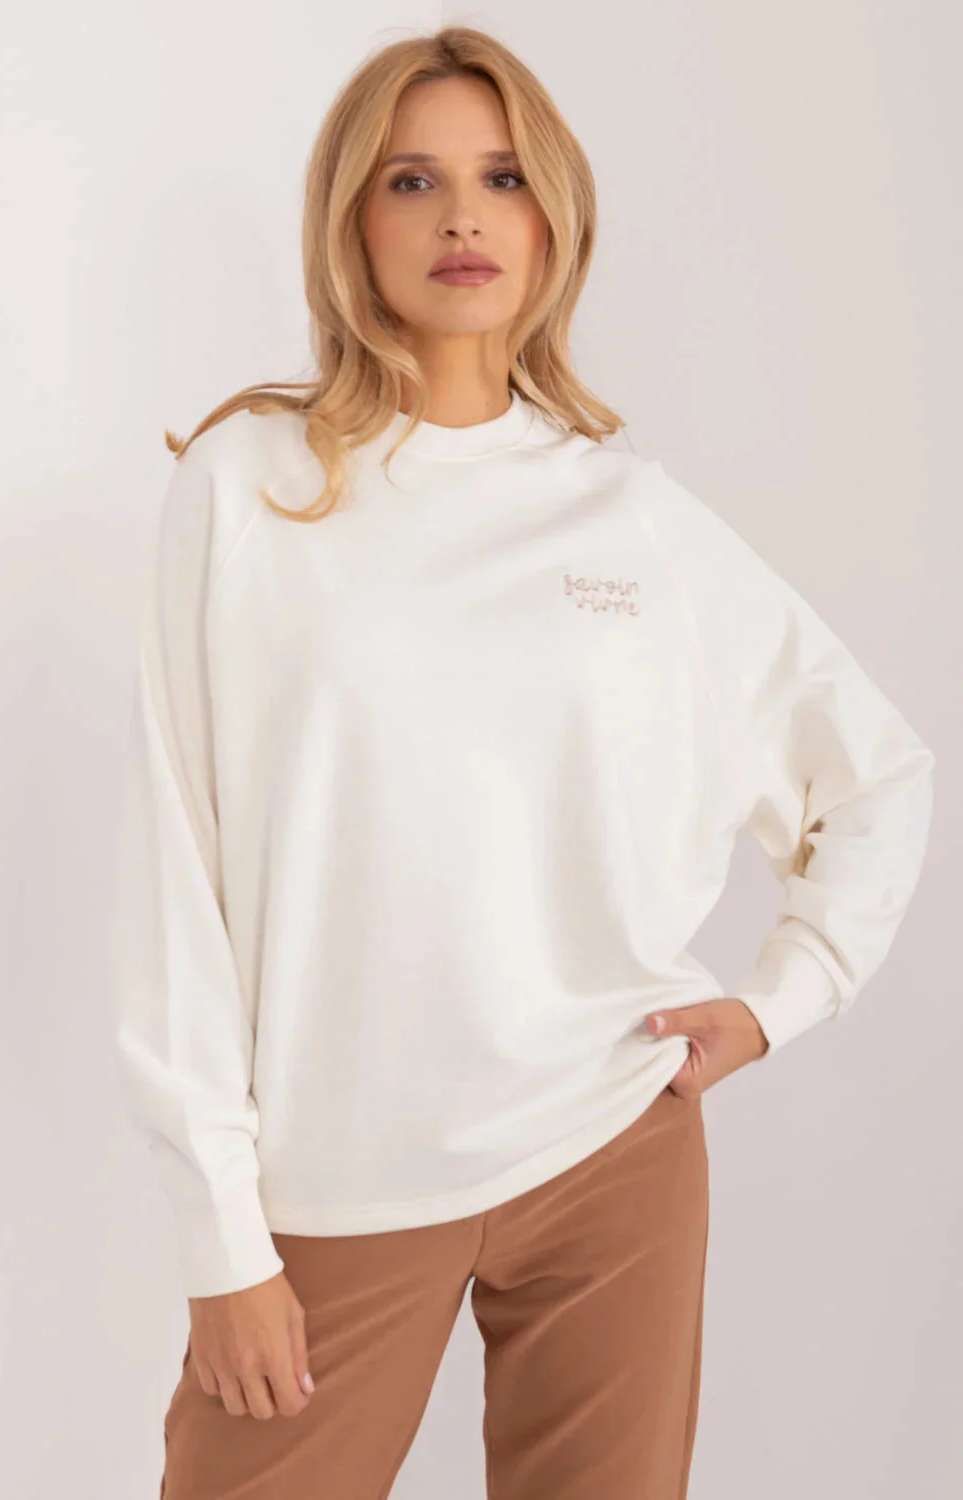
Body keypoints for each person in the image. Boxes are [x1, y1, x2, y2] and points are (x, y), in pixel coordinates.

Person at [108, 24, 935, 1500]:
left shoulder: (631, 516)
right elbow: (179, 872)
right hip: (338, 1179)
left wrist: (784, 996)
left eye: (501, 178)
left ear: (555, 219)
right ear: (351, 220)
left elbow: (873, 773)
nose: (462, 217)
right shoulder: (250, 490)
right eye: (411, 180)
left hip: (613, 1145)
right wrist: (223, 1239)